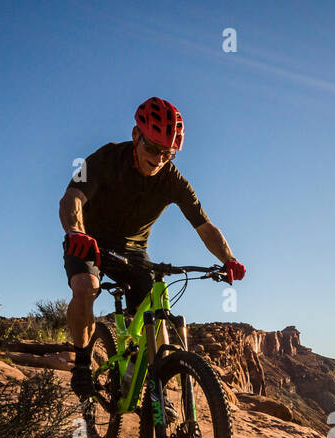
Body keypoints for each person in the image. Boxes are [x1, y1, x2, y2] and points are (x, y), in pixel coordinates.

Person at [59, 96, 245, 398]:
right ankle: (81, 362)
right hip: (88, 241)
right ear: (136, 136)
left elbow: (204, 225)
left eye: (169, 153)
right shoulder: (104, 159)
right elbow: (71, 199)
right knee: (85, 286)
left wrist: (229, 258)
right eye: (154, 148)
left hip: (133, 252)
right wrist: (75, 233)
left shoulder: (173, 180)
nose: (160, 159)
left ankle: (156, 388)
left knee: (157, 310)